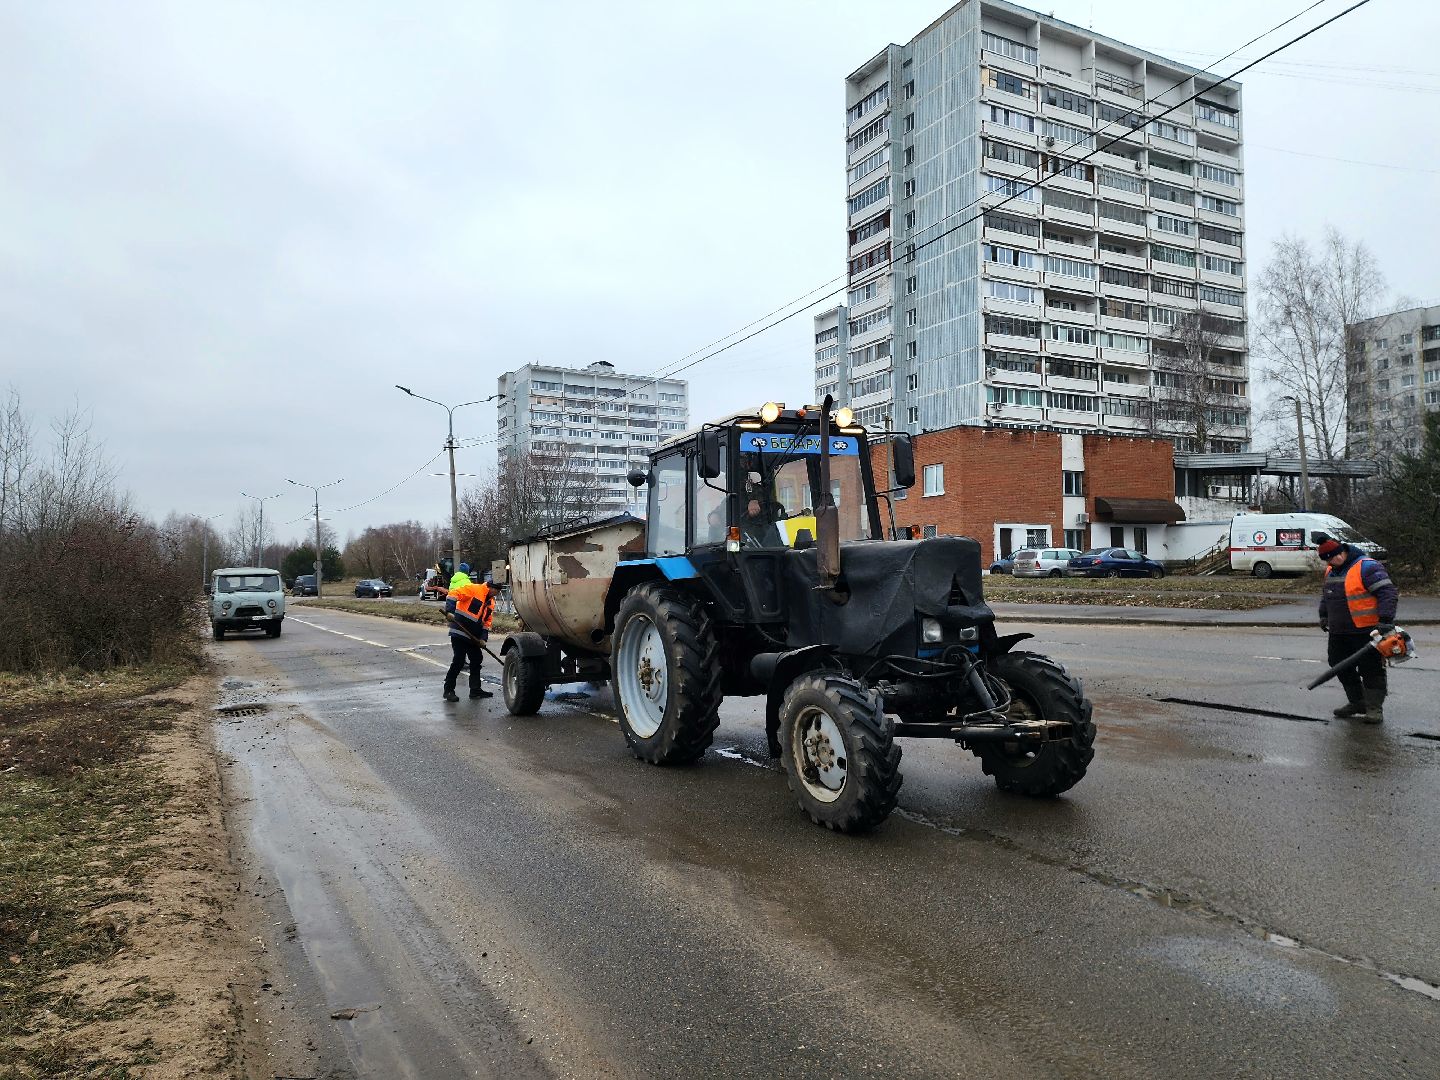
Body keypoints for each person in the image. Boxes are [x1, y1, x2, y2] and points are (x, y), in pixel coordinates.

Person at [1317, 536, 1398, 723]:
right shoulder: (1331, 570)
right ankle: (1357, 701)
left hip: (1367, 630)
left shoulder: (1367, 566)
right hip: (1339, 631)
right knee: (1338, 664)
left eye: (1334, 557)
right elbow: (1327, 596)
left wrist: (1385, 620)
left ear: (1342, 551)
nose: (1331, 561)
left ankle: (1374, 708)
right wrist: (1324, 615)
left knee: (1371, 669)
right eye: (1327, 559)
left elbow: (1387, 593)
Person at [443, 571, 494, 702]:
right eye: (496, 591)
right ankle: (448, 690)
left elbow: (486, 622)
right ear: (490, 587)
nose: (497, 594)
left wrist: (483, 638)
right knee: (459, 660)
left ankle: (475, 690)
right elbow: (453, 594)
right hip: (460, 631)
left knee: (477, 659)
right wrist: (449, 611)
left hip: (473, 637)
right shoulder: (473, 589)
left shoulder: (491, 602)